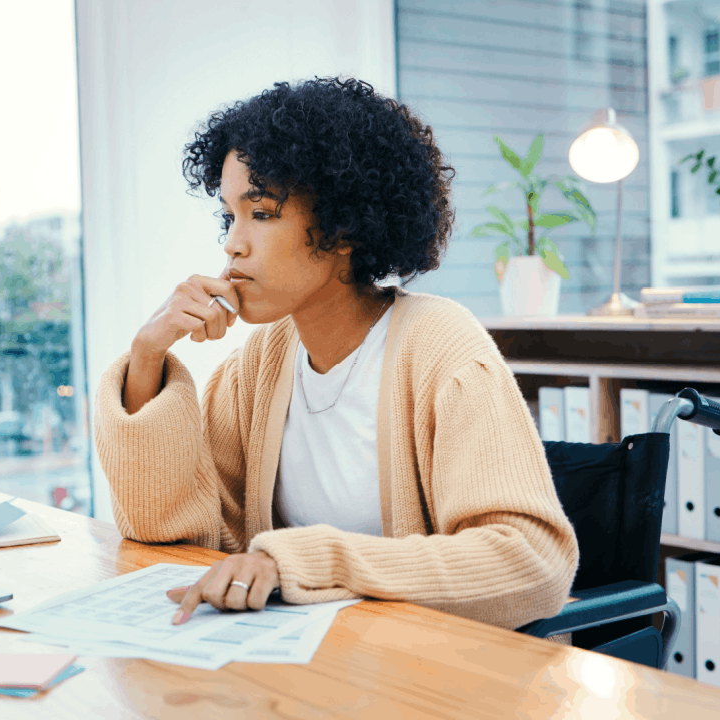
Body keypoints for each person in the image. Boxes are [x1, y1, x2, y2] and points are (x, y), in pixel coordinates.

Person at [94, 77, 579, 631]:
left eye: (262, 212)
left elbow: (531, 563)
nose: (232, 242)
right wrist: (147, 356)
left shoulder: (443, 348)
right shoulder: (260, 365)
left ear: (343, 227)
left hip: (432, 678)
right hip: (316, 665)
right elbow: (185, 543)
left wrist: (304, 561)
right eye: (230, 215)